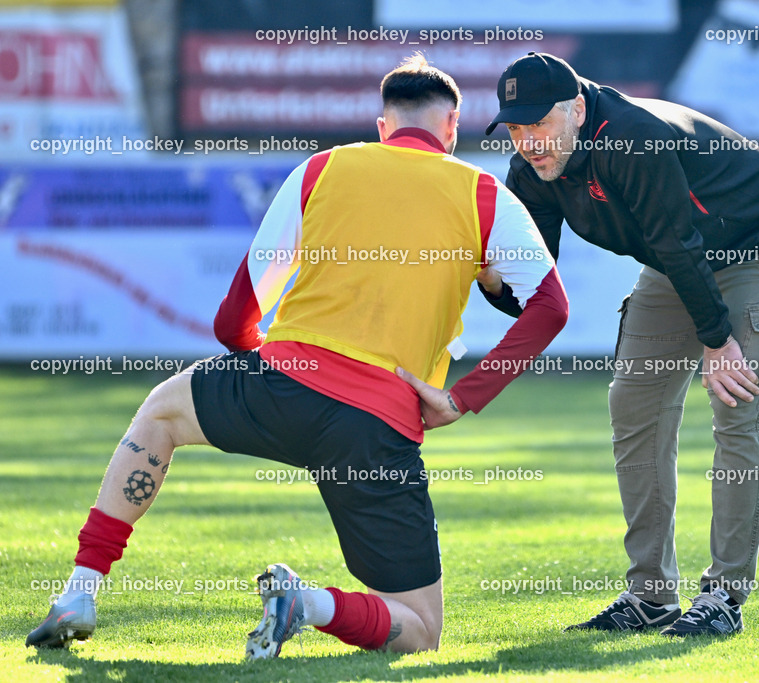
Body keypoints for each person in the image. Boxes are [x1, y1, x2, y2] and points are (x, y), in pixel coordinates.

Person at [26, 55, 568, 656]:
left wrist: (265, 372)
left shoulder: (322, 169)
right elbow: (549, 308)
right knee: (420, 627)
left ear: (383, 126)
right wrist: (463, 398)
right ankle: (307, 602)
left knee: (160, 412)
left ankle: (81, 588)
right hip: (376, 427)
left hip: (280, 385)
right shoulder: (486, 193)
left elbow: (236, 317)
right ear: (452, 128)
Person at [481, 52, 759, 637]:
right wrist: (491, 278)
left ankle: (722, 597)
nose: (529, 141)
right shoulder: (529, 171)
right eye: (515, 128)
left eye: (539, 123)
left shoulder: (633, 139)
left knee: (736, 401)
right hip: (681, 257)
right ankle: (650, 596)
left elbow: (677, 238)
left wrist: (717, 343)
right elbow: (537, 288)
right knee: (633, 402)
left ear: (578, 108)